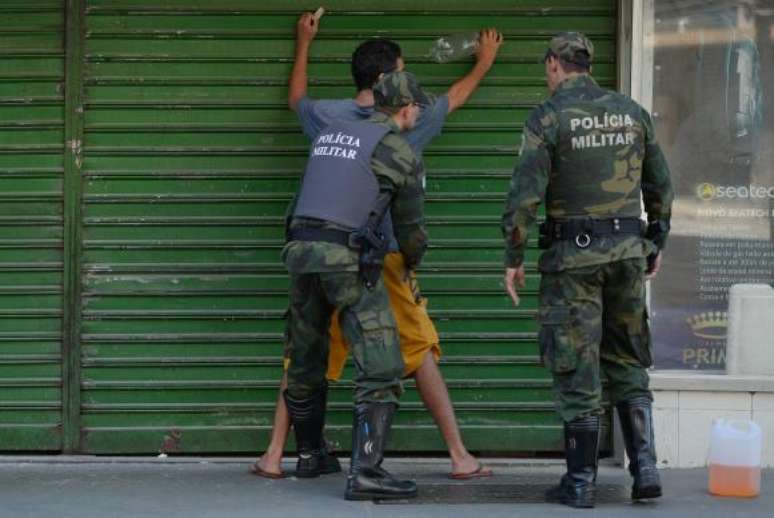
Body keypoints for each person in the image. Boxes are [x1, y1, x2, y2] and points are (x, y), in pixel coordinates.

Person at [251, 11, 502, 480]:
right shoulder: (406, 126)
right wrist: (484, 63)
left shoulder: (328, 119)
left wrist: (303, 40)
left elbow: (296, 98)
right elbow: (455, 99)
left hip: (314, 251)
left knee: (305, 353)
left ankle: (274, 454)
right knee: (412, 350)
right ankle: (455, 456)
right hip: (376, 256)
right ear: (392, 85)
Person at [501, 32, 674, 508]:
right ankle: (646, 472)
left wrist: (513, 258)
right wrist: (654, 242)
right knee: (627, 360)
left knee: (577, 366)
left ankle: (580, 483)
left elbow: (524, 195)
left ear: (555, 63)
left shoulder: (549, 116)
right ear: (587, 64)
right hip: (626, 256)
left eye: (547, 66)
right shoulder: (632, 110)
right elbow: (661, 183)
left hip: (572, 261)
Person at [282, 70, 429, 500]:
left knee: (306, 357)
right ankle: (367, 471)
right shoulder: (397, 149)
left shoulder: (332, 132)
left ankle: (310, 455)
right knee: (382, 362)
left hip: (301, 249)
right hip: (345, 257)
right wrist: (411, 265)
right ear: (407, 108)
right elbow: (411, 229)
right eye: (418, 105)